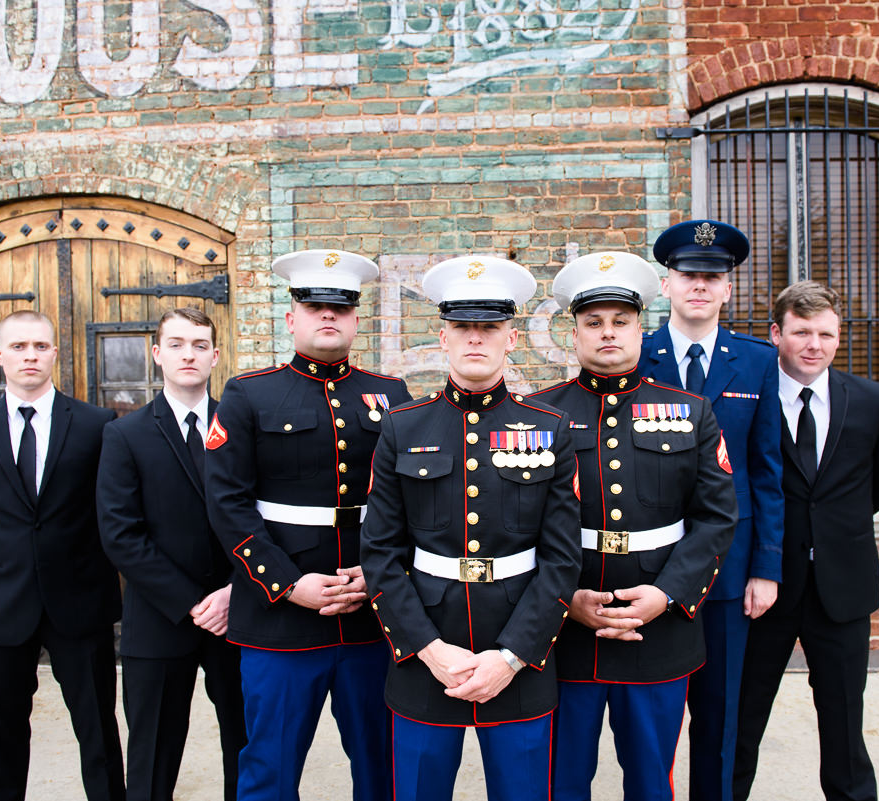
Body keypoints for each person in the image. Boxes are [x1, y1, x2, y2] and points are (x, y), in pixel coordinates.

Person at [359, 255, 581, 801]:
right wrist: (430, 649)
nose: (475, 339)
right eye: (463, 327)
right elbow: (381, 553)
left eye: (490, 327)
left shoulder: (549, 429)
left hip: (520, 647)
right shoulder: (402, 427)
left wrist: (510, 657)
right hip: (425, 648)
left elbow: (561, 559)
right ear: (443, 337)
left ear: (511, 338)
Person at [204, 249, 411, 801]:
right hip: (280, 622)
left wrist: (376, 574)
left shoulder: (390, 396)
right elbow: (228, 503)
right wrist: (289, 585)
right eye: (314, 305)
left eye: (339, 308)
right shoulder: (249, 393)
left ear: (356, 319)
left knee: (383, 761)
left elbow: (410, 501)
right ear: (291, 316)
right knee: (270, 765)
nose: (327, 316)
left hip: (370, 616)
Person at [534, 251, 738, 801]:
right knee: (561, 779)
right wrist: (563, 599)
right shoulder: (536, 414)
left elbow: (717, 517)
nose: (607, 334)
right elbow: (519, 526)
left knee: (651, 780)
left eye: (620, 322)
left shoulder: (689, 411)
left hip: (658, 630)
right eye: (593, 323)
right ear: (573, 333)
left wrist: (667, 595)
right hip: (563, 630)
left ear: (638, 329)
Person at [0, 309, 124, 801]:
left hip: (79, 604)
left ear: (55, 354)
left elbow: (109, 512)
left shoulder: (96, 424)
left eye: (40, 346)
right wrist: (13, 558)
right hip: (0, 606)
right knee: (1, 743)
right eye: (18, 346)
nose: (30, 356)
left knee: (99, 735)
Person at [733, 281, 879, 801]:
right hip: (764, 586)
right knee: (741, 719)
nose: (814, 344)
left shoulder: (871, 400)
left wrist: (832, 531)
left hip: (843, 587)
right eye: (802, 331)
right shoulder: (749, 400)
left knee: (844, 721)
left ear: (838, 338)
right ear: (776, 335)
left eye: (825, 333)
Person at [638, 219, 785, 801]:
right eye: (688, 275)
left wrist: (766, 567)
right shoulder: (636, 353)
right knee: (654, 717)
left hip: (730, 568)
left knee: (720, 714)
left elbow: (768, 471)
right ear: (667, 283)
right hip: (649, 567)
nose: (700, 286)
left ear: (728, 288)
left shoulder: (755, 361)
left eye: (713, 277)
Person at [97, 307, 246, 801]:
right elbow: (121, 534)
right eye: (177, 344)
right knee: (153, 755)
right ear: (157, 354)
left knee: (246, 747)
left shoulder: (243, 426)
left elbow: (260, 518)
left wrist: (232, 590)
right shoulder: (125, 435)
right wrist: (191, 601)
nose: (189, 354)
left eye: (200, 345)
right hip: (160, 618)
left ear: (215, 356)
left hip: (238, 614)